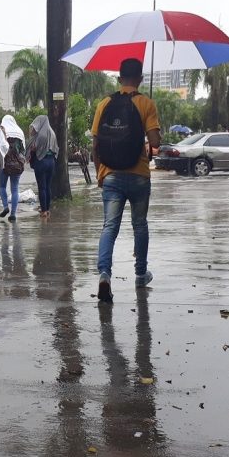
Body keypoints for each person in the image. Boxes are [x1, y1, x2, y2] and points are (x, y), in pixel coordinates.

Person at [92, 58, 162, 303]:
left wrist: (101, 172)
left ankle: (104, 274)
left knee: (109, 227)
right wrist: (151, 128)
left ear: (119, 78)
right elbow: (154, 143)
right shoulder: (146, 103)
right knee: (140, 225)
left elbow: (95, 143)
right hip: (139, 175)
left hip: (110, 175)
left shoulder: (104, 103)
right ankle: (141, 274)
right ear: (140, 79)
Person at [28, 115, 58, 219]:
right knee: (48, 186)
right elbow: (56, 148)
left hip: (41, 161)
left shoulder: (41, 135)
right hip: (51, 161)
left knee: (42, 187)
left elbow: (33, 148)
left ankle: (43, 210)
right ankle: (47, 209)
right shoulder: (52, 133)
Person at [0, 114, 26, 222]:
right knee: (14, 189)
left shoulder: (1, 131)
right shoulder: (19, 132)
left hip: (4, 164)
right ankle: (13, 213)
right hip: (17, 165)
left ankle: (6, 207)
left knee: (2, 187)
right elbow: (23, 150)